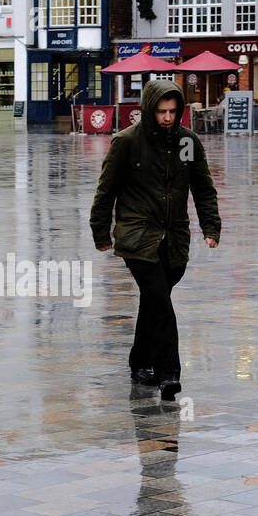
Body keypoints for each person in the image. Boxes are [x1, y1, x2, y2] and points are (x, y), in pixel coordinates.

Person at [90, 78, 221, 401]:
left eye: (173, 111)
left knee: (153, 301)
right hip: (137, 236)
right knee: (161, 301)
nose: (167, 118)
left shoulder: (187, 142)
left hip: (174, 238)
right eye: (161, 111)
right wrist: (100, 232)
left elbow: (203, 188)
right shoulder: (127, 142)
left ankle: (140, 361)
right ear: (149, 110)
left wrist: (210, 227)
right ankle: (169, 374)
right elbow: (105, 191)